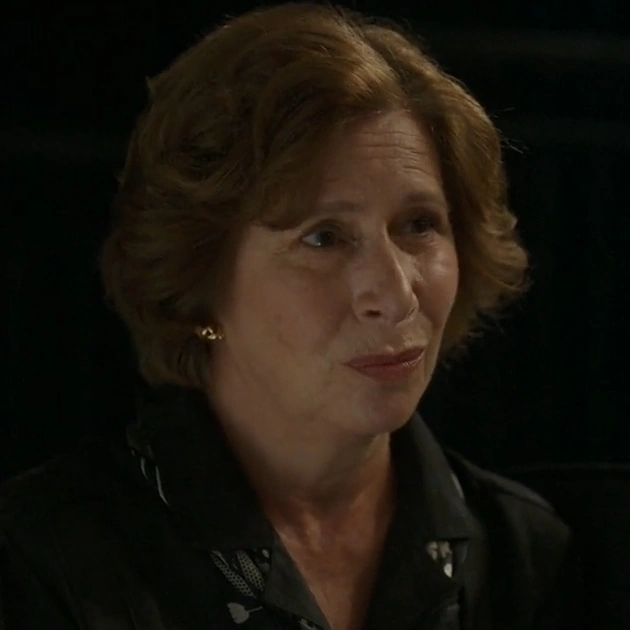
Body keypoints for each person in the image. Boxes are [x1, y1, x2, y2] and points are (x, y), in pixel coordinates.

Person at [0, 3, 576, 629]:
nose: (396, 292)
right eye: (324, 237)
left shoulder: (529, 557)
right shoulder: (47, 561)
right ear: (197, 281)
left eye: (418, 224)